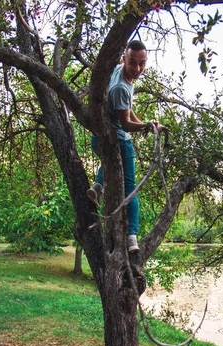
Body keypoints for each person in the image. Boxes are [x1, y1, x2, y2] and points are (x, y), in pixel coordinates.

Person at [88, 40, 161, 253]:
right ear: (124, 59)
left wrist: (146, 123)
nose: (137, 69)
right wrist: (145, 125)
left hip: (100, 138)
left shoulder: (121, 73)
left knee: (108, 166)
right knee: (131, 190)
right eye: (132, 62)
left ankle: (97, 187)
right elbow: (127, 125)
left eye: (142, 63)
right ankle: (132, 237)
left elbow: (127, 112)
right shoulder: (121, 86)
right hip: (118, 140)